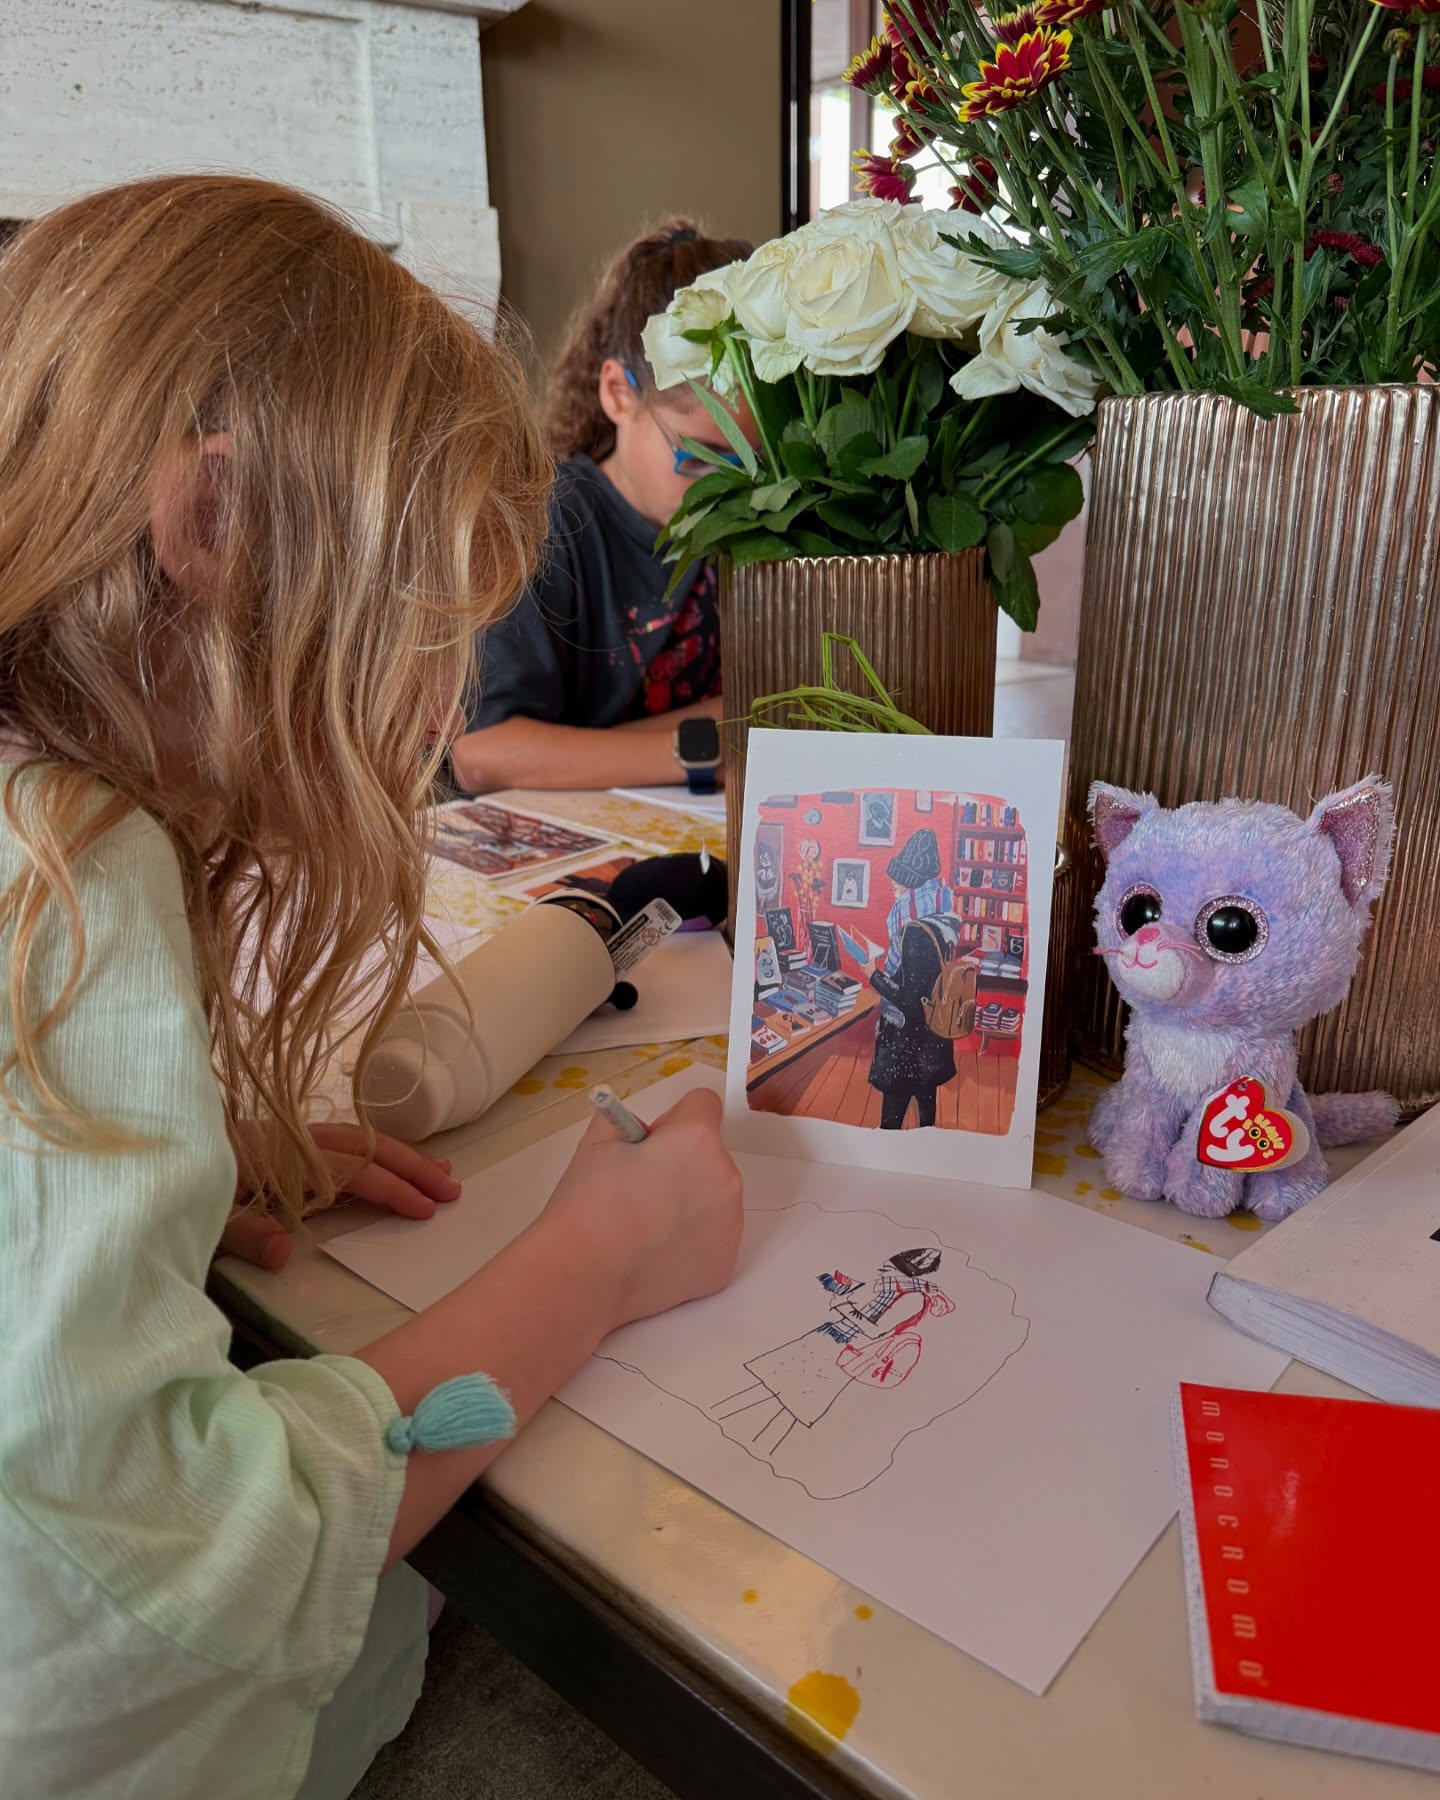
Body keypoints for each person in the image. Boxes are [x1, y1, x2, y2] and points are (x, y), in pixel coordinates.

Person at [0, 176, 744, 1800]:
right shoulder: (67, 867)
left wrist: (187, 1181)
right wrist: (599, 1261)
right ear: (210, 527)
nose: (424, 713)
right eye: (417, 630)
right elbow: (153, 1591)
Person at [449, 219, 755, 797]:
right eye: (702, 454)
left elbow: (755, 708)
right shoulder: (544, 525)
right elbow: (482, 754)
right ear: (619, 393)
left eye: (757, 465)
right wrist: (706, 748)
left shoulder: (748, 525)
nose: (732, 492)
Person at [867, 829, 965, 1130]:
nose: (894, 883)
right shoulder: (945, 902)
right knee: (926, 1095)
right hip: (935, 1024)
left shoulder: (908, 922)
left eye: (900, 877)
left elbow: (908, 999)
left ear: (913, 880)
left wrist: (871, 973)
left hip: (904, 1034)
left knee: (892, 1111)